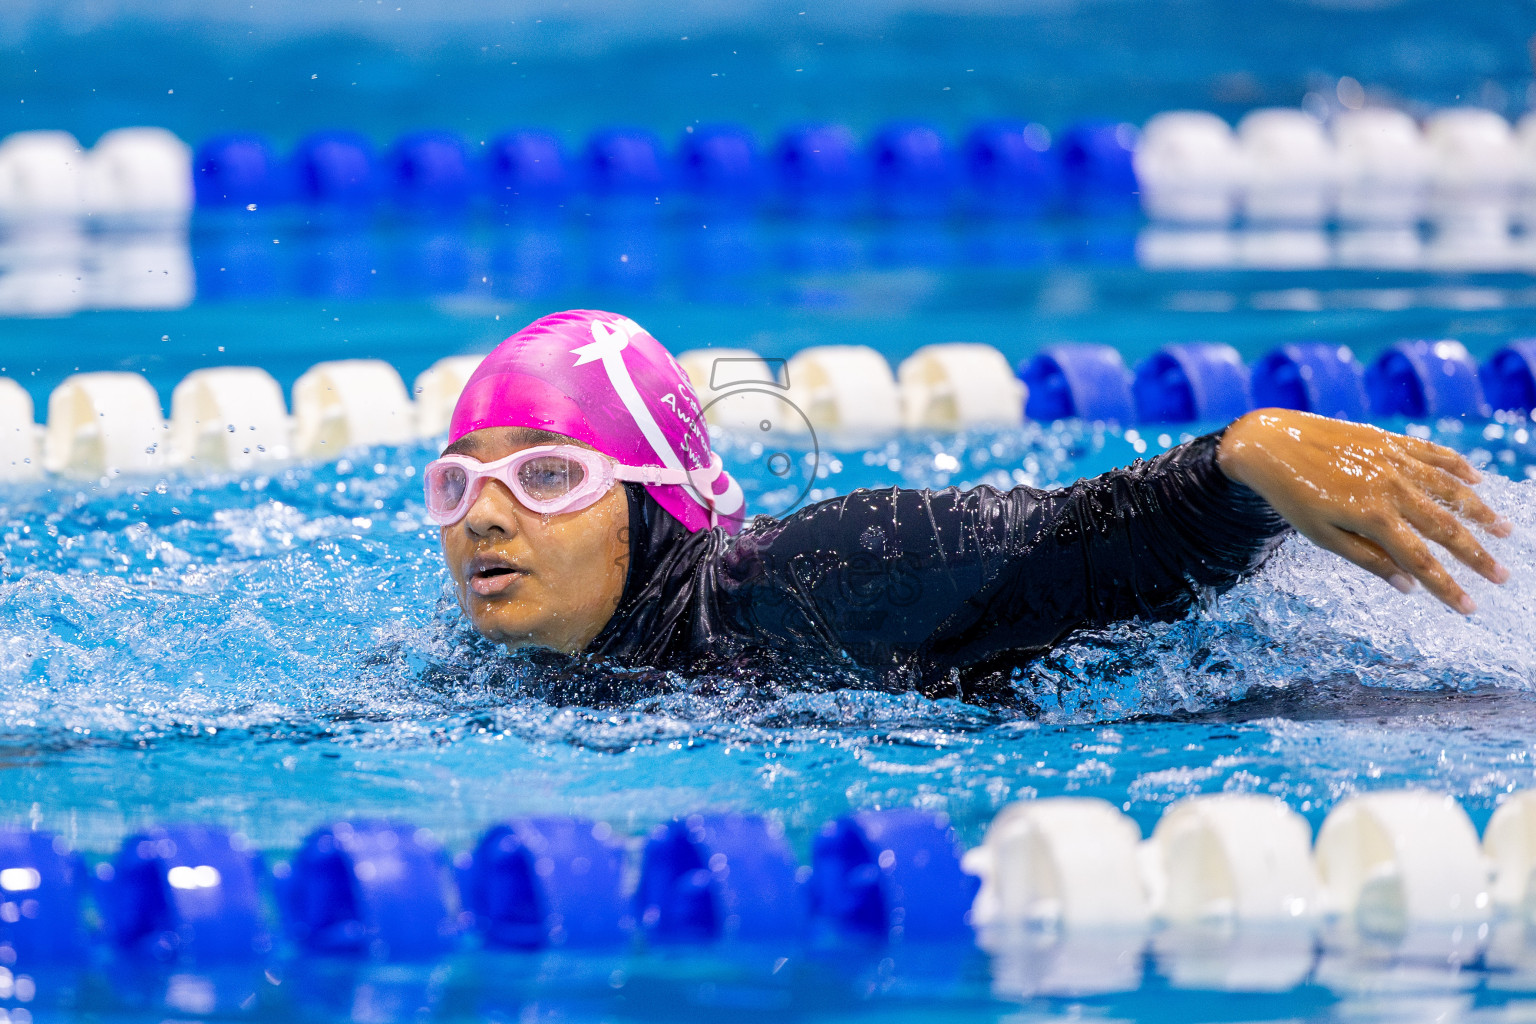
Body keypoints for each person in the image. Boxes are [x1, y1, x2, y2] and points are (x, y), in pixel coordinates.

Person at [428, 309, 1512, 703]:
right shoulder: (479, 675)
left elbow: (1081, 546)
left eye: (547, 474)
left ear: (661, 503)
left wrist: (1243, 457)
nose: (484, 515)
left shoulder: (820, 574)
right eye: (457, 482)